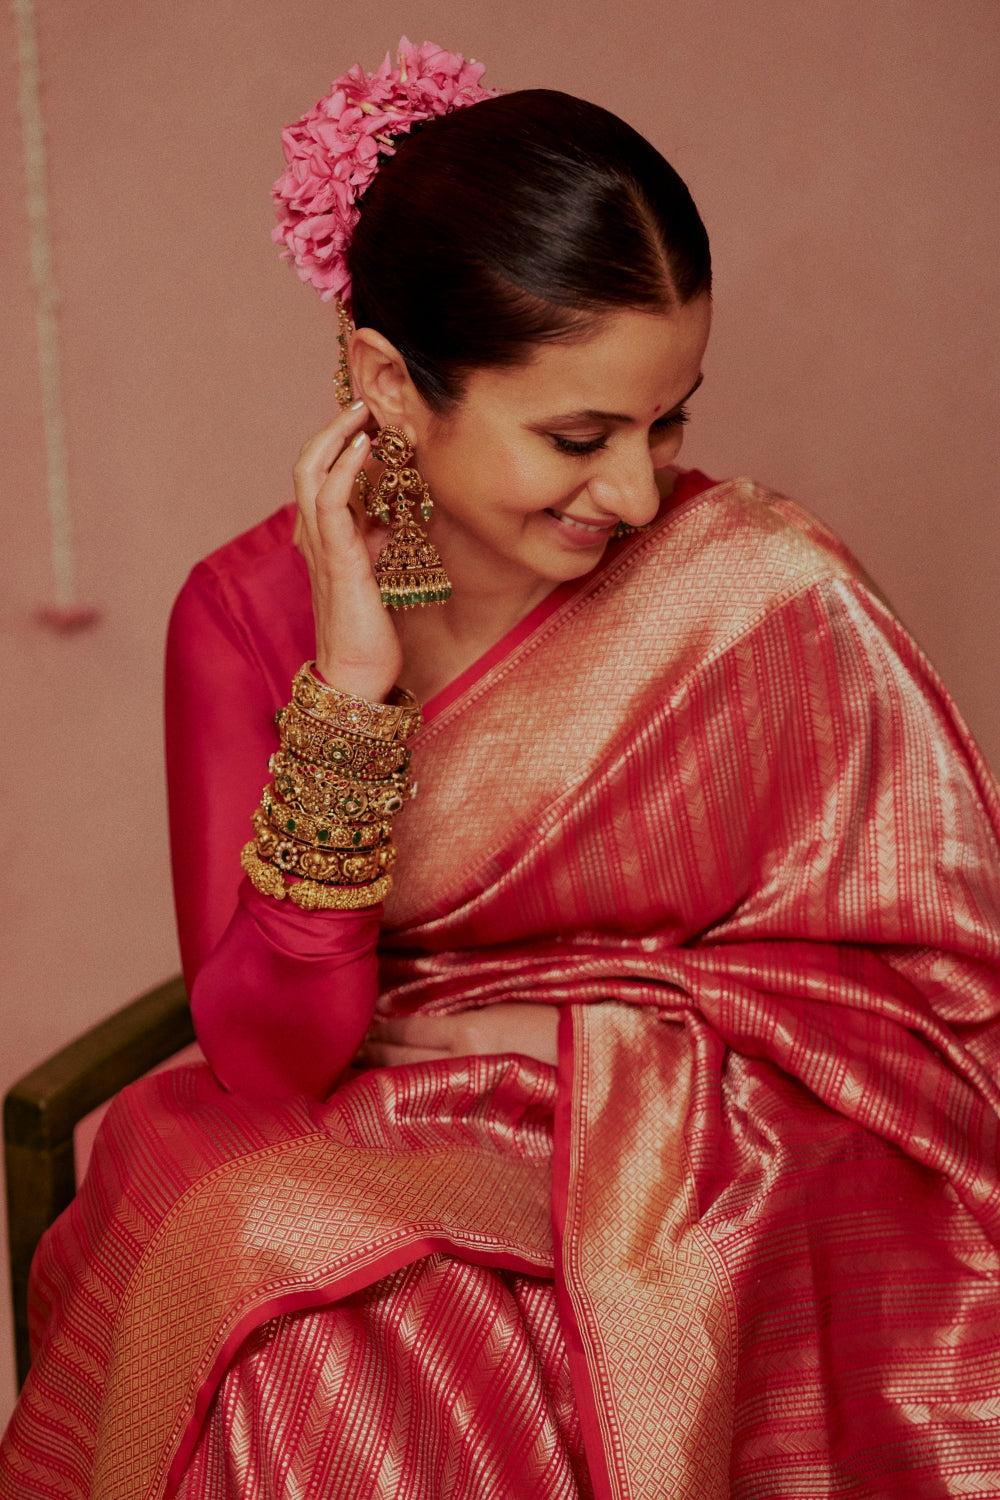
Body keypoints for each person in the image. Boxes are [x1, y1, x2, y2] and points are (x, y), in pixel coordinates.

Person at [3, 37, 1000, 1500]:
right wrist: (353, 693)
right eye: (581, 435)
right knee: (276, 1267)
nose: (641, 492)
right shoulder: (247, 614)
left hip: (706, 1163)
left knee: (393, 1307)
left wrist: (581, 1052)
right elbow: (274, 1053)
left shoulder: (761, 589)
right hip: (360, 1133)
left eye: (672, 421)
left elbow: (940, 1003)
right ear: (390, 383)